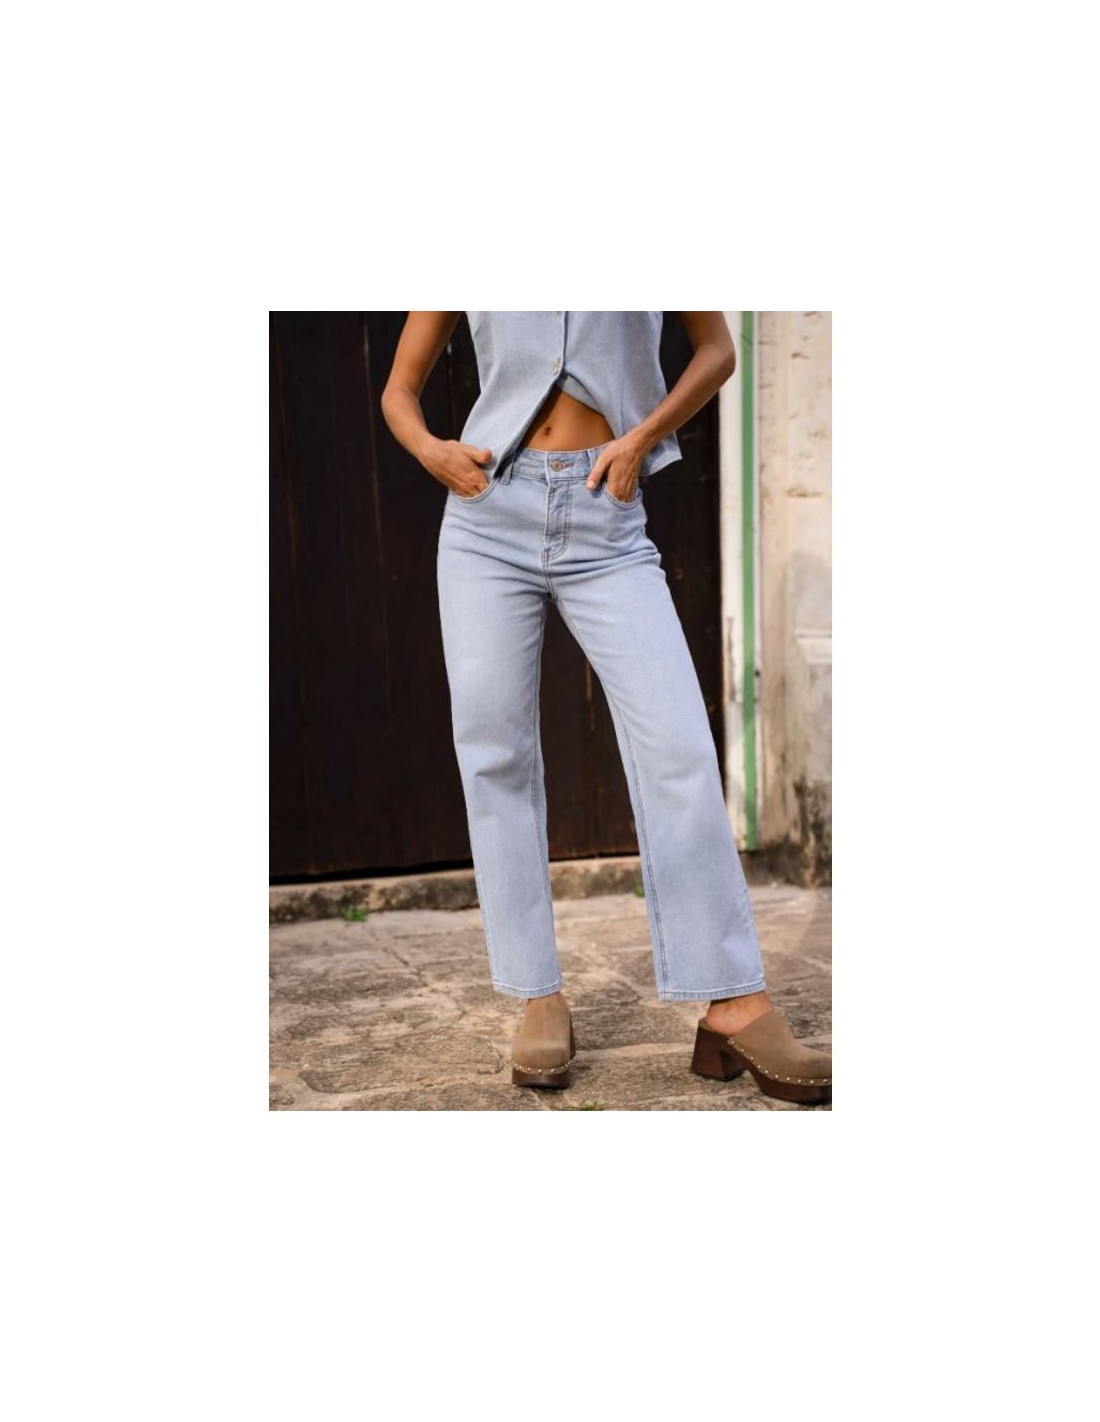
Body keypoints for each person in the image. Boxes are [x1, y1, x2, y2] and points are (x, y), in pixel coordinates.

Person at [381, 312, 830, 1107]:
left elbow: (717, 352)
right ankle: (537, 994)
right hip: (488, 516)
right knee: (495, 755)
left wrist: (643, 437)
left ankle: (733, 1001)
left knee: (678, 749)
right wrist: (429, 449)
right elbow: (399, 391)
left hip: (606, 517)